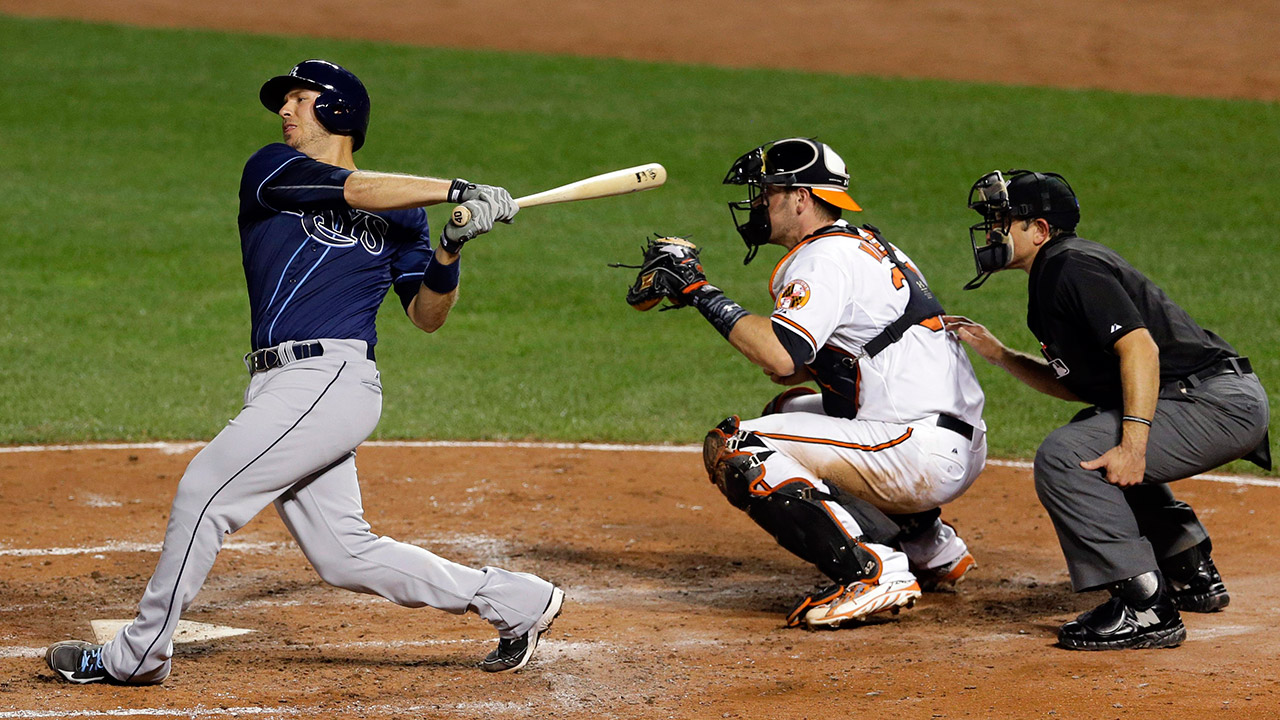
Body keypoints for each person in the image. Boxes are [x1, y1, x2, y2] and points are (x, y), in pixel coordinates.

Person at [45, 59, 563, 684]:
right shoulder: (271, 169)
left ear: (337, 108)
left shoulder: (404, 215)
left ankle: (138, 655)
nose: (283, 111)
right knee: (345, 554)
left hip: (330, 380)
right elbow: (352, 190)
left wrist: (451, 246)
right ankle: (518, 600)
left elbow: (427, 316)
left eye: (297, 98)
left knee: (204, 491)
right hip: (281, 382)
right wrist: (455, 189)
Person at [618, 138, 987, 628]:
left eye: (767, 191)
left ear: (801, 198)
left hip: (918, 449)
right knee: (789, 408)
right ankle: (928, 546)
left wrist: (698, 290)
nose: (757, 203)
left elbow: (778, 351)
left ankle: (872, 572)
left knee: (738, 447)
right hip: (944, 437)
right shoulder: (859, 245)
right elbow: (791, 367)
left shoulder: (824, 258)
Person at [947, 169, 1271, 650]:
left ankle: (1145, 607)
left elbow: (1140, 351)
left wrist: (1135, 445)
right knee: (1091, 433)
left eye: (1003, 221)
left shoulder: (1070, 266)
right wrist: (1002, 355)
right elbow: (1081, 386)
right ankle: (1188, 570)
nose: (993, 233)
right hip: (1212, 396)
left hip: (1213, 402)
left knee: (1067, 456)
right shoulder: (1057, 271)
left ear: (1039, 230)